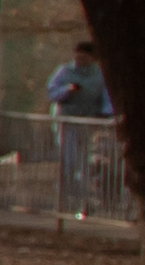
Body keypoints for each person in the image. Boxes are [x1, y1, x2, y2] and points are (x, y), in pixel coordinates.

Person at [46, 41, 115, 215]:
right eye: (77, 56)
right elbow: (52, 93)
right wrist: (67, 91)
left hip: (88, 122)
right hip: (66, 121)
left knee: (84, 163)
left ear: (92, 58)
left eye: (84, 57)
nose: (79, 60)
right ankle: (65, 197)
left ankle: (83, 202)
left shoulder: (100, 75)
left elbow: (107, 98)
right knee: (69, 159)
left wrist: (106, 113)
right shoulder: (64, 71)